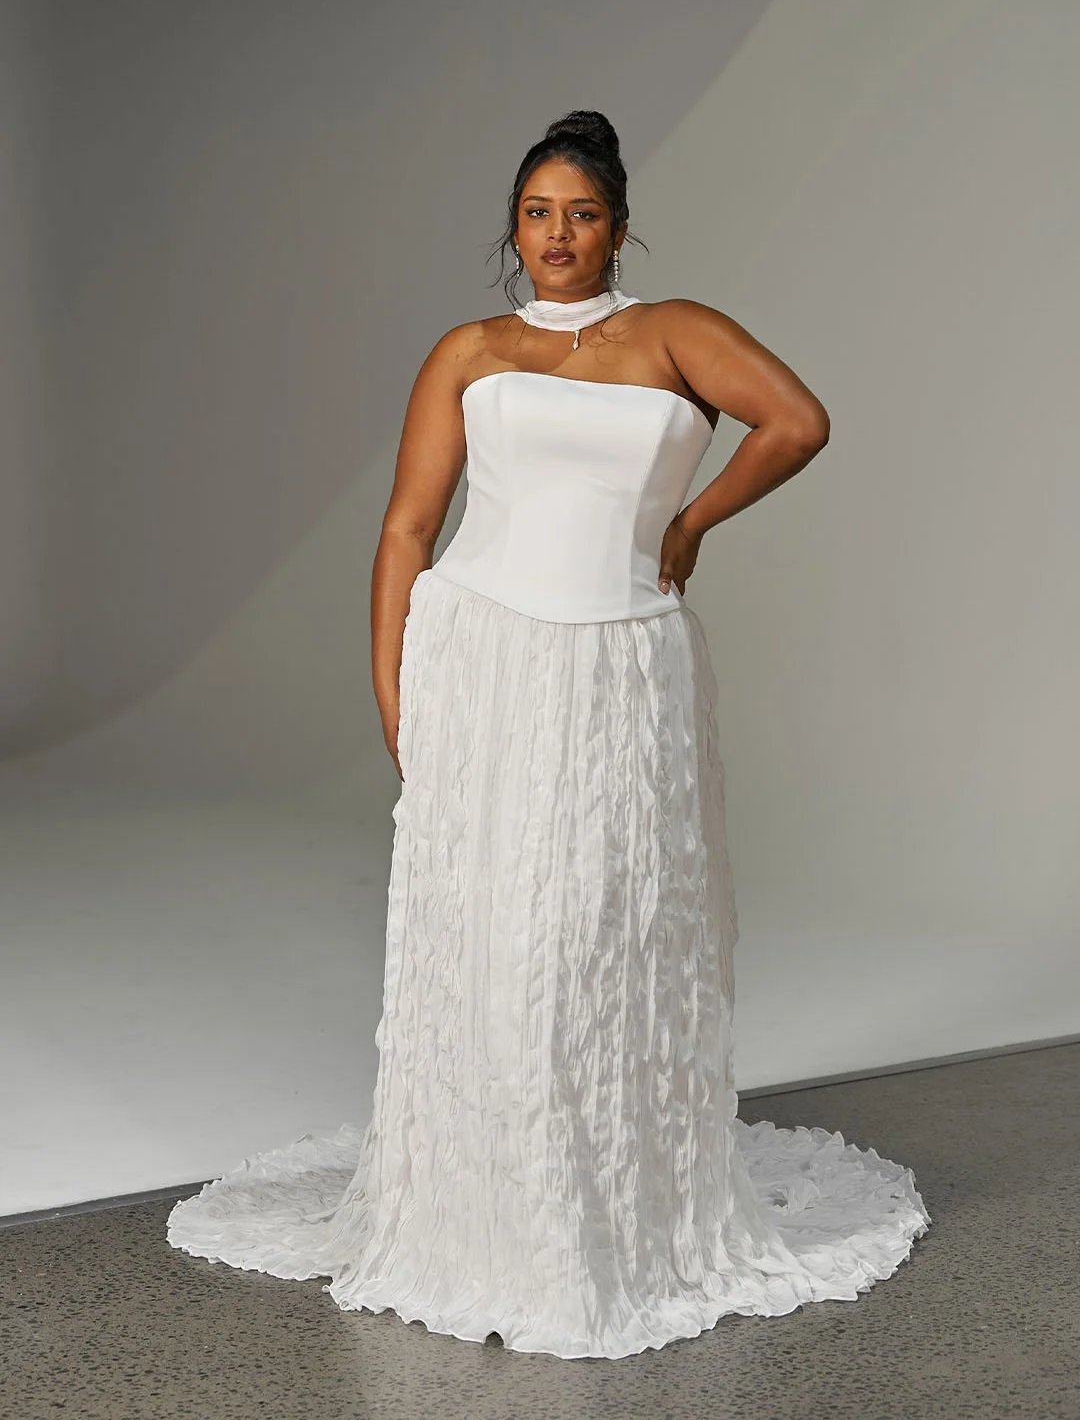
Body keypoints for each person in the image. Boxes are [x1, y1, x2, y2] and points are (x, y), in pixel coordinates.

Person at [167, 109, 930, 1360]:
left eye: (582, 214)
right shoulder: (470, 350)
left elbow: (797, 421)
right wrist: (393, 689)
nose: (558, 235)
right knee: (495, 931)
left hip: (623, 666)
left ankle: (607, 1212)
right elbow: (408, 530)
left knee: (608, 928)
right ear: (512, 227)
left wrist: (689, 527)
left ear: (619, 229)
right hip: (482, 655)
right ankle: (493, 1211)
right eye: (537, 213)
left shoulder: (676, 332)